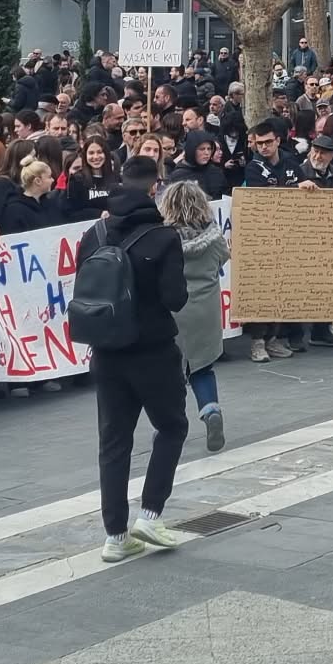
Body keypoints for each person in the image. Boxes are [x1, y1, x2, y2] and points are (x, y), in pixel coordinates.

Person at [73, 174, 190, 562]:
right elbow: (175, 299)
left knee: (114, 442)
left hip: (106, 352)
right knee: (172, 426)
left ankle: (115, 537)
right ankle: (151, 514)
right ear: (151, 200)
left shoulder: (95, 235)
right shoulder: (164, 238)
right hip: (153, 350)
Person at [159, 178, 231, 453]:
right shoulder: (213, 238)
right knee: (202, 367)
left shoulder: (163, 239)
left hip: (173, 310)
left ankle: (168, 425)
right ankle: (210, 409)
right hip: (205, 310)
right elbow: (223, 258)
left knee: (169, 371)